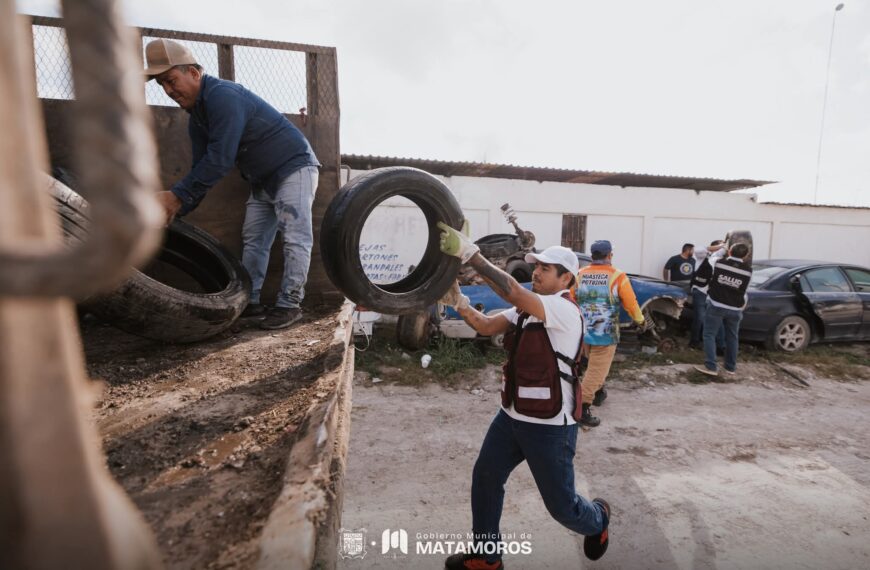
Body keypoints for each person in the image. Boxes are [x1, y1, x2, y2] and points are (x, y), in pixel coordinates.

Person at [437, 224, 611, 569]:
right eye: (536, 266)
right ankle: (487, 558)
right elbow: (486, 326)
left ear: (566, 280)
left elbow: (513, 291)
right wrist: (459, 302)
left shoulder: (563, 310)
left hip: (550, 427)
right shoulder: (527, 310)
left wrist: (471, 255)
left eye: (545, 269)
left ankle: (598, 520)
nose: (537, 272)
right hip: (512, 418)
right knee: (485, 478)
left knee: (562, 507)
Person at [143, 39, 321, 330]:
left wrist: (176, 196)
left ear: (195, 74)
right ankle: (249, 303)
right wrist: (178, 207)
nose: (169, 90)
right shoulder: (196, 119)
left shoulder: (223, 96)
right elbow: (202, 169)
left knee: (295, 237)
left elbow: (220, 159)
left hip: (293, 167)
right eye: (162, 84)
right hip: (261, 178)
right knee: (254, 240)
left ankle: (290, 304)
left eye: (172, 80)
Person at [574, 240, 645, 427]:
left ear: (592, 256)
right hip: (605, 334)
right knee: (597, 370)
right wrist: (640, 320)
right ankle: (582, 408)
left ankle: (598, 392)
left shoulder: (580, 274)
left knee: (595, 366)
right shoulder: (618, 276)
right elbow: (630, 302)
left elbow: (572, 299)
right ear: (609, 256)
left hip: (582, 331)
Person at [694, 242, 752, 377]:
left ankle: (711, 366)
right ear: (746, 255)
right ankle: (730, 367)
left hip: (716, 305)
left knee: (709, 335)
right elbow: (744, 290)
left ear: (730, 252)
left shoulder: (717, 262)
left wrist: (722, 247)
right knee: (732, 337)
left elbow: (700, 251)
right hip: (735, 308)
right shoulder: (749, 271)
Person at [688, 240, 726, 350]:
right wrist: (722, 246)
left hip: (712, 293)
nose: (722, 249)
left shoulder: (720, 259)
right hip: (700, 290)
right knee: (700, 318)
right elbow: (699, 249)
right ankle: (695, 342)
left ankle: (719, 345)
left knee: (716, 319)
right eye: (719, 246)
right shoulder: (702, 257)